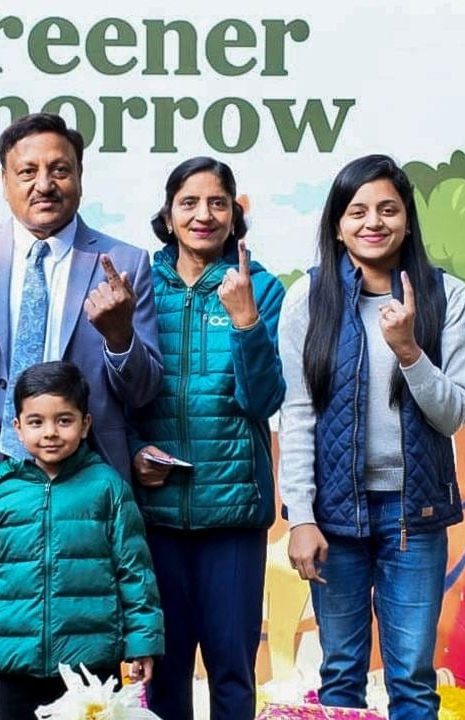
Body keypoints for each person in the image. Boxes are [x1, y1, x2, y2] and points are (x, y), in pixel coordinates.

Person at [0, 112, 163, 720]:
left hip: (81, 496)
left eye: (59, 169)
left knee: (79, 651)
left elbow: (144, 390)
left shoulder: (125, 264)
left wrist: (120, 336)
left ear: (79, 178)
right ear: (5, 180)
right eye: (28, 171)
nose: (44, 183)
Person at [278, 154, 465, 720]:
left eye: (388, 209)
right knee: (339, 670)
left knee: (412, 675)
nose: (374, 222)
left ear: (408, 220)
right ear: (337, 224)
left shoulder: (447, 297)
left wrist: (409, 350)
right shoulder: (309, 298)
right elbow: (297, 414)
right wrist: (301, 517)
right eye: (357, 210)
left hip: (415, 513)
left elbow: (455, 415)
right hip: (333, 516)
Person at [0, 361, 164, 720]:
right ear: (18, 429)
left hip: (89, 668)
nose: (51, 432)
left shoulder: (108, 488)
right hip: (15, 663)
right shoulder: (1, 490)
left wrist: (141, 644)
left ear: (85, 425)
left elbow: (136, 574)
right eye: (37, 422)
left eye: (64, 420)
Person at [130, 156, 286, 720]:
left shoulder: (261, 288)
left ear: (234, 215)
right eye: (189, 203)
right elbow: (116, 391)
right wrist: (131, 455)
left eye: (218, 202)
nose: (203, 214)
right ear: (168, 216)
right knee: (163, 673)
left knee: (232, 669)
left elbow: (263, 401)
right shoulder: (138, 282)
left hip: (233, 515)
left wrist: (245, 320)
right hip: (155, 515)